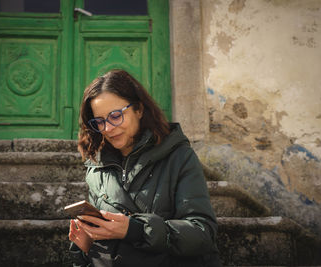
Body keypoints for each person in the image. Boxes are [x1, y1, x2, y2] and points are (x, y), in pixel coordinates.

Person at [68, 70, 221, 266]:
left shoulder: (179, 157)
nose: (107, 128)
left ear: (139, 109)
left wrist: (135, 230)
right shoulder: (97, 168)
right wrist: (85, 246)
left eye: (115, 116)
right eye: (99, 121)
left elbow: (203, 233)